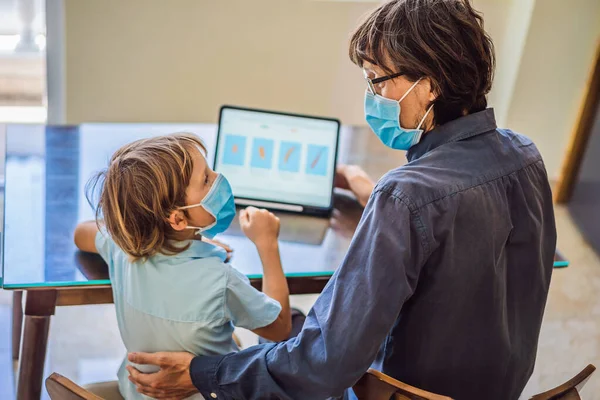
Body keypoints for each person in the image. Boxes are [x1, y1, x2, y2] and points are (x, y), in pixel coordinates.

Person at [126, 0, 557, 399]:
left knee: (289, 338)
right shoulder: (524, 155)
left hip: (401, 392)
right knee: (291, 325)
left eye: (377, 81)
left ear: (428, 88)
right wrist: (380, 197)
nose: (372, 98)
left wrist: (204, 373)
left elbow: (325, 366)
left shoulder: (404, 196)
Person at [73, 133, 294, 399]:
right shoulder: (220, 281)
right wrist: (267, 243)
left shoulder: (122, 249)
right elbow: (280, 327)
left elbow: (80, 233)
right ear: (177, 219)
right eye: (206, 180)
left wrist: (133, 225)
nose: (217, 179)